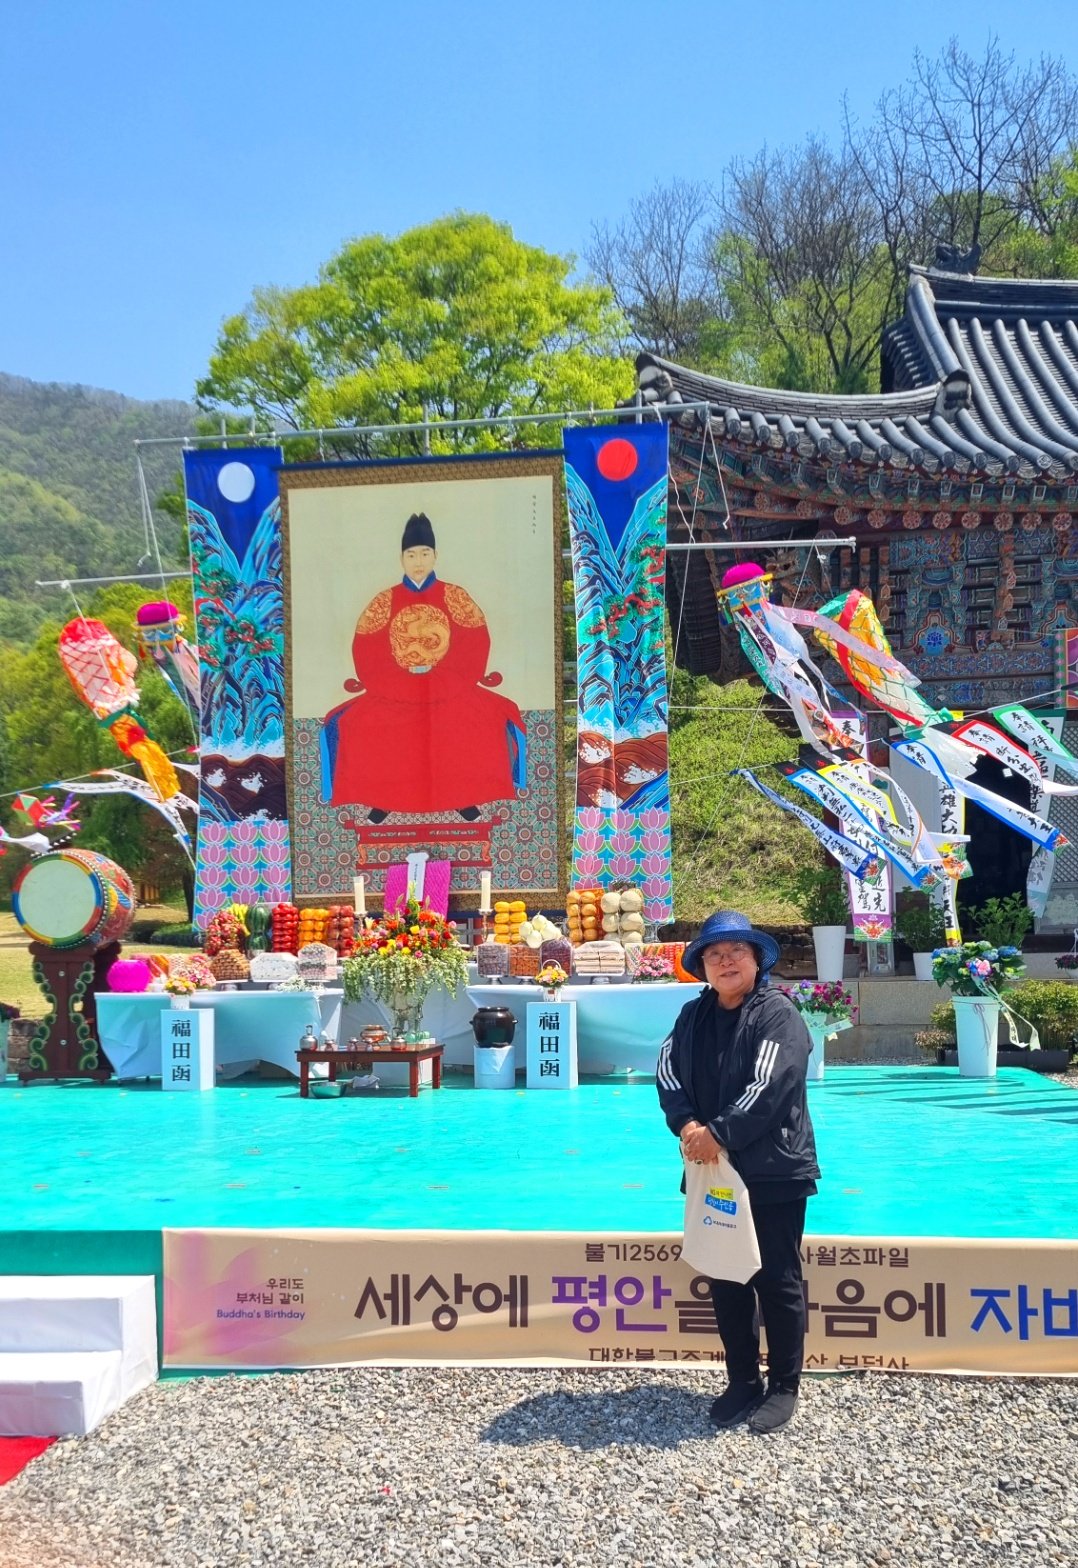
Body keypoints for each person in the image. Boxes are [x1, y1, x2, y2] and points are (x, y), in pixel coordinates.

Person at [657, 909, 819, 1435]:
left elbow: (772, 1083)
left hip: (773, 1168)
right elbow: (667, 1073)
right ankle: (742, 1380)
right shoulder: (692, 1016)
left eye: (736, 952)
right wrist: (688, 1126)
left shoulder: (777, 1014)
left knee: (777, 1278)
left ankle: (784, 1385)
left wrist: (719, 1133)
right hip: (712, 1170)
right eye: (714, 954)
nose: (726, 962)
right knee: (725, 1276)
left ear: (756, 961)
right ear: (703, 966)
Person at [321, 512, 527, 819]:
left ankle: (464, 797)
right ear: (401, 559)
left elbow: (475, 642)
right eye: (411, 555)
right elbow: (367, 648)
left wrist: (447, 678)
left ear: (435, 556)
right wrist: (395, 681)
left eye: (425, 553)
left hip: (450, 686)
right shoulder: (384, 602)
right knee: (358, 724)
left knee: (477, 721)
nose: (418, 561)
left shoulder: (456, 597)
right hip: (393, 688)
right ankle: (383, 799)